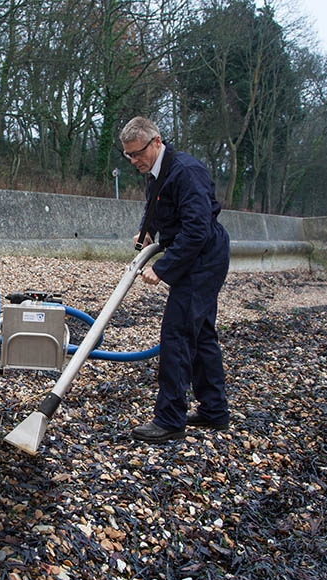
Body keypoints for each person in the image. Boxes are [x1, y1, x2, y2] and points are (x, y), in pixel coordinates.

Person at [119, 116, 231, 442]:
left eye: (138, 153)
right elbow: (156, 204)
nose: (134, 161)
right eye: (128, 155)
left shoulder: (186, 171)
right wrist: (147, 230)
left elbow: (198, 229)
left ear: (156, 142)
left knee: (177, 336)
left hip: (203, 259)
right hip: (196, 256)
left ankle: (170, 419)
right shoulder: (156, 171)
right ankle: (214, 411)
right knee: (201, 334)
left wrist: (163, 268)